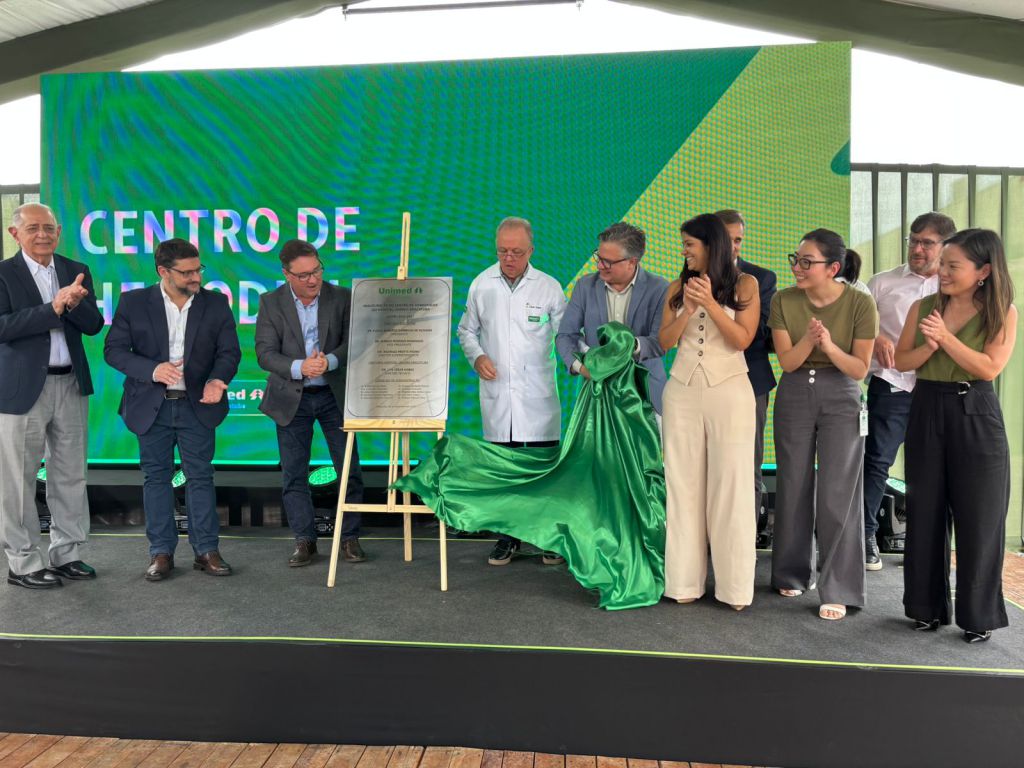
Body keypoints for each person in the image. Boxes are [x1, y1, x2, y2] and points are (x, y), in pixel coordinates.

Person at [895, 228, 1016, 643]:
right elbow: (903, 360)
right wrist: (931, 346)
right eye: (942, 264)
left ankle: (978, 616)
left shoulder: (1002, 312)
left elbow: (988, 367)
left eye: (952, 266)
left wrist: (945, 338)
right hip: (927, 406)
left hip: (976, 410)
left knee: (980, 516)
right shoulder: (923, 307)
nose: (942, 271)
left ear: (983, 271)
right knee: (924, 510)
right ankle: (925, 609)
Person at [104, 238, 241, 581]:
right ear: (163, 271)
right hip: (151, 407)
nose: (196, 277)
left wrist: (217, 380)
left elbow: (229, 352)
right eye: (187, 272)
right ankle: (161, 552)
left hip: (198, 406)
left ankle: (206, 550)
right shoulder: (134, 302)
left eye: (198, 269)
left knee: (200, 477)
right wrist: (152, 370)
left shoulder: (216, 303)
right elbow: (114, 350)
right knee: (156, 478)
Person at [769, 229, 878, 621]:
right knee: (793, 483)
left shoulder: (860, 303)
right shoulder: (783, 300)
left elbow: (859, 369)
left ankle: (840, 588)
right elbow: (787, 362)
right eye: (795, 259)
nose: (797, 268)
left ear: (833, 268)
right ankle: (791, 572)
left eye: (807, 262)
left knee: (838, 492)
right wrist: (809, 340)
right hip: (795, 390)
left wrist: (828, 345)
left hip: (842, 395)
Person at [0, 203, 104, 589]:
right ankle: (23, 562)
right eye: (33, 228)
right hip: (21, 391)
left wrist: (73, 306)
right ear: (15, 234)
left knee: (71, 474)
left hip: (71, 384)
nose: (42, 234)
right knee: (17, 481)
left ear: (59, 231)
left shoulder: (76, 269)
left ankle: (67, 553)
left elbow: (94, 325)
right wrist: (53, 308)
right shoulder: (4, 273)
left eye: (49, 228)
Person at [659, 214, 759, 610]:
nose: (684, 250)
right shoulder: (675, 287)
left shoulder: (745, 284)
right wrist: (687, 308)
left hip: (730, 392)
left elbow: (742, 340)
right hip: (681, 392)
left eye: (690, 244)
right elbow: (664, 342)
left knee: (731, 488)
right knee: (681, 486)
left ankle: (735, 589)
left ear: (710, 245)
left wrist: (711, 304)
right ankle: (683, 582)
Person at [456, 216, 567, 566]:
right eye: (502, 251)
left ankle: (549, 538)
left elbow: (565, 337)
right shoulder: (481, 284)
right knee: (504, 473)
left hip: (538, 398)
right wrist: (477, 357)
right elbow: (466, 331)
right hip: (498, 396)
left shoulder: (549, 287)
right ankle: (508, 538)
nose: (508, 258)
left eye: (516, 252)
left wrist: (581, 364)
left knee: (543, 473)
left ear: (531, 250)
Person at [255, 239, 366, 567]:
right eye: (303, 275)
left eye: (317, 270)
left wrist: (329, 361)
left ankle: (349, 538)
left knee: (349, 470)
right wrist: (299, 367)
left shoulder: (342, 297)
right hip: (292, 397)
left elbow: (355, 342)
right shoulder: (271, 302)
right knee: (293, 473)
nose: (313, 279)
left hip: (334, 395)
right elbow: (265, 353)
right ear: (286, 274)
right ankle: (304, 540)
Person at [862, 212, 953, 570]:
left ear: (945, 246)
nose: (917, 249)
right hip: (891, 384)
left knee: (934, 468)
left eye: (926, 243)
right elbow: (856, 325)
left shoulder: (954, 287)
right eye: (913, 241)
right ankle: (866, 536)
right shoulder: (882, 283)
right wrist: (875, 338)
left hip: (938, 386)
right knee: (876, 462)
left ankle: (927, 545)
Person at [555, 222, 668, 418]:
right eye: (598, 257)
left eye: (607, 261)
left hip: (645, 395)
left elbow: (661, 342)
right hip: (596, 395)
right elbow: (566, 335)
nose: (599, 265)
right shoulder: (585, 286)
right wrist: (582, 368)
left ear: (632, 262)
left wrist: (627, 346)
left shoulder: (659, 288)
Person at [715, 210, 776, 530]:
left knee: (747, 466)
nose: (734, 246)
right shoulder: (691, 278)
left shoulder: (761, 278)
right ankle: (707, 543)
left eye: (738, 239)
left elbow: (759, 333)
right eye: (728, 239)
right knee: (709, 467)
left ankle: (744, 543)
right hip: (703, 384)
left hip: (750, 382)